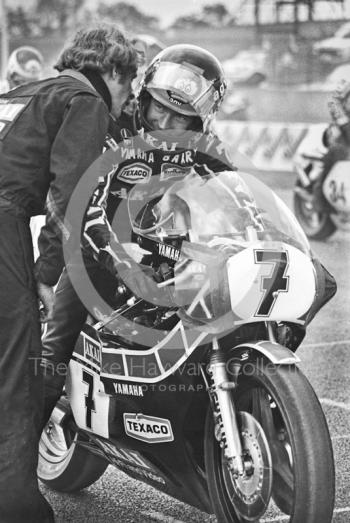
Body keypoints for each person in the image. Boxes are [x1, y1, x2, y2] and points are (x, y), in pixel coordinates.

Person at [41, 43, 233, 422]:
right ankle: (18, 452)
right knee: (52, 354)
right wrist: (122, 262)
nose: (164, 121)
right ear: (143, 97)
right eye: (159, 106)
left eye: (180, 116)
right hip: (98, 252)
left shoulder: (205, 146)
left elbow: (236, 196)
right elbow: (86, 209)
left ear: (199, 120)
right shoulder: (114, 128)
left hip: (171, 256)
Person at [0, 22, 137, 523]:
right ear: (114, 71)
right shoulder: (88, 100)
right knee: (16, 369)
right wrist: (46, 270)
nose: (128, 99)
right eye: (130, 85)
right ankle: (15, 507)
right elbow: (69, 199)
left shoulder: (26, 91)